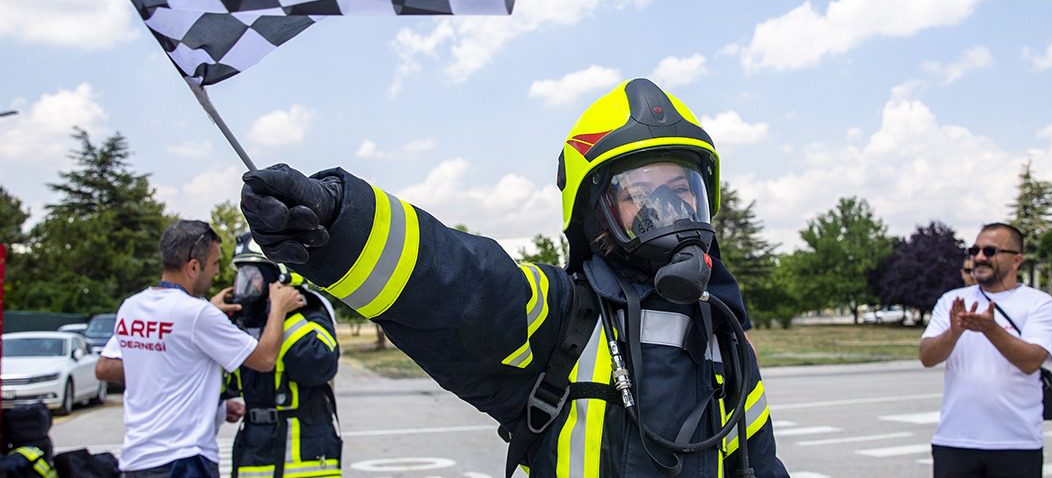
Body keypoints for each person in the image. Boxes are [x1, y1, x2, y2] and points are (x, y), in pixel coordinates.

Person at [239, 78, 788, 477]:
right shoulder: (562, 314)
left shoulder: (726, 342)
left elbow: (762, 467)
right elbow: (456, 282)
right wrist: (342, 223)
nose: (667, 211)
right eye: (641, 194)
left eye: (682, 190)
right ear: (594, 213)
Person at [95, 220, 305, 478]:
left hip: (137, 461)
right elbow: (264, 359)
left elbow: (106, 368)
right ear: (194, 267)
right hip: (185, 461)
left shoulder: (132, 307)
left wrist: (209, 405)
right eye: (215, 264)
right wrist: (279, 308)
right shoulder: (197, 314)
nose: (216, 273)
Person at [919, 222, 1052, 478]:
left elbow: (1031, 361)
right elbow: (927, 357)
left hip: (1016, 444)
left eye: (990, 251)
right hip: (955, 441)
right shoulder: (952, 301)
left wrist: (991, 329)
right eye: (975, 251)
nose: (979, 258)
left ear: (1016, 260)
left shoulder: (1038, 303)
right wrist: (954, 332)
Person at [224, 232, 342, 477]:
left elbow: (318, 364)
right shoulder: (248, 323)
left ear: (278, 278)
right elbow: (230, 383)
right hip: (255, 447)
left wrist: (282, 313)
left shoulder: (310, 313)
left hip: (305, 452)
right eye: (242, 276)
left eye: (252, 276)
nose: (244, 286)